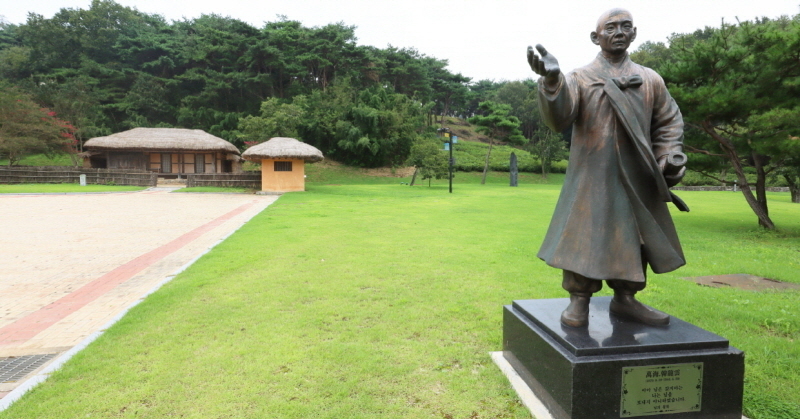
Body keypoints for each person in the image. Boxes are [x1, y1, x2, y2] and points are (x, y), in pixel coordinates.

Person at [527, 8, 688, 328]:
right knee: (584, 235)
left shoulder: (650, 79)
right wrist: (552, 80)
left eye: (625, 27)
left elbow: (669, 122)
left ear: (634, 33)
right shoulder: (579, 78)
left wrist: (669, 154)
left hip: (638, 175)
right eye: (611, 27)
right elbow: (558, 119)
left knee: (636, 237)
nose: (619, 32)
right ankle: (579, 301)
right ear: (595, 37)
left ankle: (626, 299)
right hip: (592, 175)